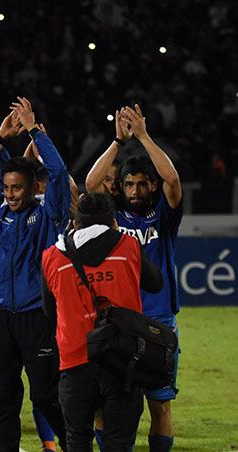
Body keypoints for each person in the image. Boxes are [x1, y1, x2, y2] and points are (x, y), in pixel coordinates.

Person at [0, 98, 70, 452]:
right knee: (3, 399)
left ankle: (74, 444)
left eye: (16, 188)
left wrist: (35, 131)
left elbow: (56, 172)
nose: (9, 194)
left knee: (45, 397)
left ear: (32, 188)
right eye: (6, 188)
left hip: (35, 318)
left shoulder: (47, 214)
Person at [85, 105, 183, 452]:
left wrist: (142, 137)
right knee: (105, 404)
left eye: (143, 184)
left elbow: (172, 180)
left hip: (158, 321)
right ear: (121, 187)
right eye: (129, 184)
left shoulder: (164, 217)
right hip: (119, 321)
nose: (136, 190)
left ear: (151, 186)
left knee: (160, 405)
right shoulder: (112, 214)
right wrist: (117, 141)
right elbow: (91, 183)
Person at [41, 192, 164, 451]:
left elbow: (49, 312)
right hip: (123, 361)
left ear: (76, 223)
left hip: (75, 360)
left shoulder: (52, 257)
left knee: (77, 440)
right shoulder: (128, 246)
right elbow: (156, 283)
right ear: (113, 222)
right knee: (119, 442)